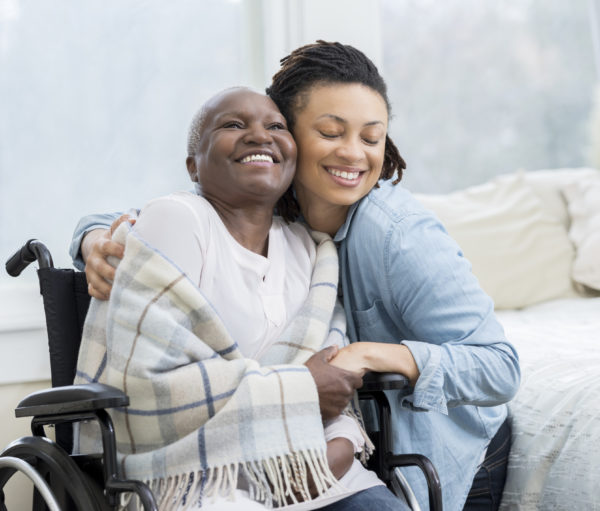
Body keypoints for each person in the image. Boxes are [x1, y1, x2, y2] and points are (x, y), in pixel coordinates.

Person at [71, 42, 521, 511]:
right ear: (292, 136)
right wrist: (93, 236)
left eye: (372, 139)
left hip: (437, 447)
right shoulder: (268, 207)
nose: (353, 154)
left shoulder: (396, 235)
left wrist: (367, 353)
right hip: (286, 444)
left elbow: (501, 366)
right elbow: (162, 213)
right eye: (330, 132)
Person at [74, 86, 405, 510]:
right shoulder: (180, 220)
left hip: (310, 465)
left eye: (275, 127)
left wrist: (333, 451)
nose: (260, 136)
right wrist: (299, 388)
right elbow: (149, 385)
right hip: (201, 477)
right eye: (233, 125)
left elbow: (333, 383)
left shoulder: (309, 248)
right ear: (193, 166)